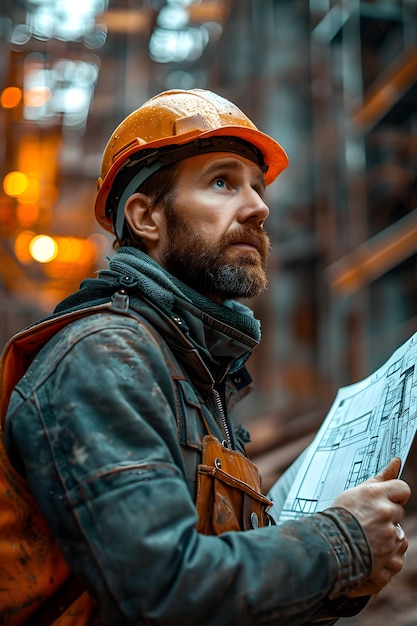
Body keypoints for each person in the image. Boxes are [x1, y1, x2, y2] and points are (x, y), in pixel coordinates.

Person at [2, 89, 410, 625]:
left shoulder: (194, 372)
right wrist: (339, 543)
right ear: (146, 216)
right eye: (223, 182)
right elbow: (159, 591)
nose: (258, 207)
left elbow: (226, 592)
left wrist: (343, 578)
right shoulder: (104, 355)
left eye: (257, 188)